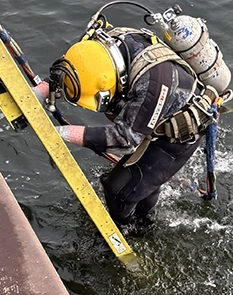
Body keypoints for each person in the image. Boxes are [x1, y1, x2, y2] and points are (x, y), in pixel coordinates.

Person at [39, 13, 221, 231]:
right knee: (139, 183)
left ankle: (135, 230)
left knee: (118, 190)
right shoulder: (104, 43)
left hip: (177, 134)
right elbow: (75, 67)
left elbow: (124, 140)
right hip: (153, 113)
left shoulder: (152, 87)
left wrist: (60, 134)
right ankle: (145, 201)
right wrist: (40, 91)